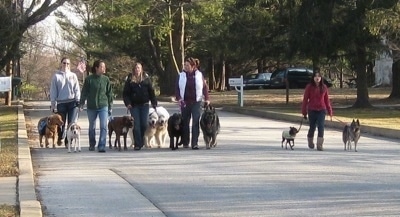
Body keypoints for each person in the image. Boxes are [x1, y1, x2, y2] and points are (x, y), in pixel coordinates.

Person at [175, 57, 210, 150]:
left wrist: (207, 99)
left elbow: (205, 87)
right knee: (185, 122)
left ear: (193, 66)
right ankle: (186, 142)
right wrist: (178, 98)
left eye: (187, 65)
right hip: (185, 102)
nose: (185, 67)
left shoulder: (199, 75)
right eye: (184, 65)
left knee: (195, 122)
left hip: (196, 102)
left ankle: (194, 143)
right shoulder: (181, 75)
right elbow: (177, 88)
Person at [79, 60, 113, 152]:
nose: (104, 68)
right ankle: (92, 144)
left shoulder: (106, 79)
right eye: (102, 66)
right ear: (96, 68)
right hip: (91, 106)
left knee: (103, 126)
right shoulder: (89, 79)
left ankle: (101, 145)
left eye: (104, 66)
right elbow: (84, 92)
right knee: (92, 126)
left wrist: (110, 105)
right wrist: (81, 103)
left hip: (103, 105)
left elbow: (109, 93)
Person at [123, 62, 157, 151]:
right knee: (136, 124)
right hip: (134, 106)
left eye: (139, 68)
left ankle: (141, 140)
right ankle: (138, 144)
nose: (137, 69)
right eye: (136, 68)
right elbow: (125, 94)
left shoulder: (146, 79)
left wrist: (154, 102)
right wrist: (128, 103)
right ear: (134, 70)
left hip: (145, 104)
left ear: (141, 69)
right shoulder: (130, 80)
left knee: (144, 124)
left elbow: (151, 91)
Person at [49, 57, 81, 147]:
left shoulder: (73, 75)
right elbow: (53, 91)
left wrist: (78, 100)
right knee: (61, 123)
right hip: (61, 103)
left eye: (67, 63)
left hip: (72, 102)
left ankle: (68, 141)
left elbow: (77, 89)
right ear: (61, 64)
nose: (66, 65)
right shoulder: (56, 76)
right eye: (64, 63)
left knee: (71, 123)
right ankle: (60, 137)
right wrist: (53, 104)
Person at [301, 68, 332, 151]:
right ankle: (310, 141)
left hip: (322, 110)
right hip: (312, 110)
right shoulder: (309, 87)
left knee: (321, 127)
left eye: (319, 76)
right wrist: (304, 111)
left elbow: (327, 100)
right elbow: (305, 99)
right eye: (315, 76)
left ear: (321, 78)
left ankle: (319, 145)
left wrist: (329, 110)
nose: (317, 78)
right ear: (313, 78)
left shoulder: (324, 87)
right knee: (312, 127)